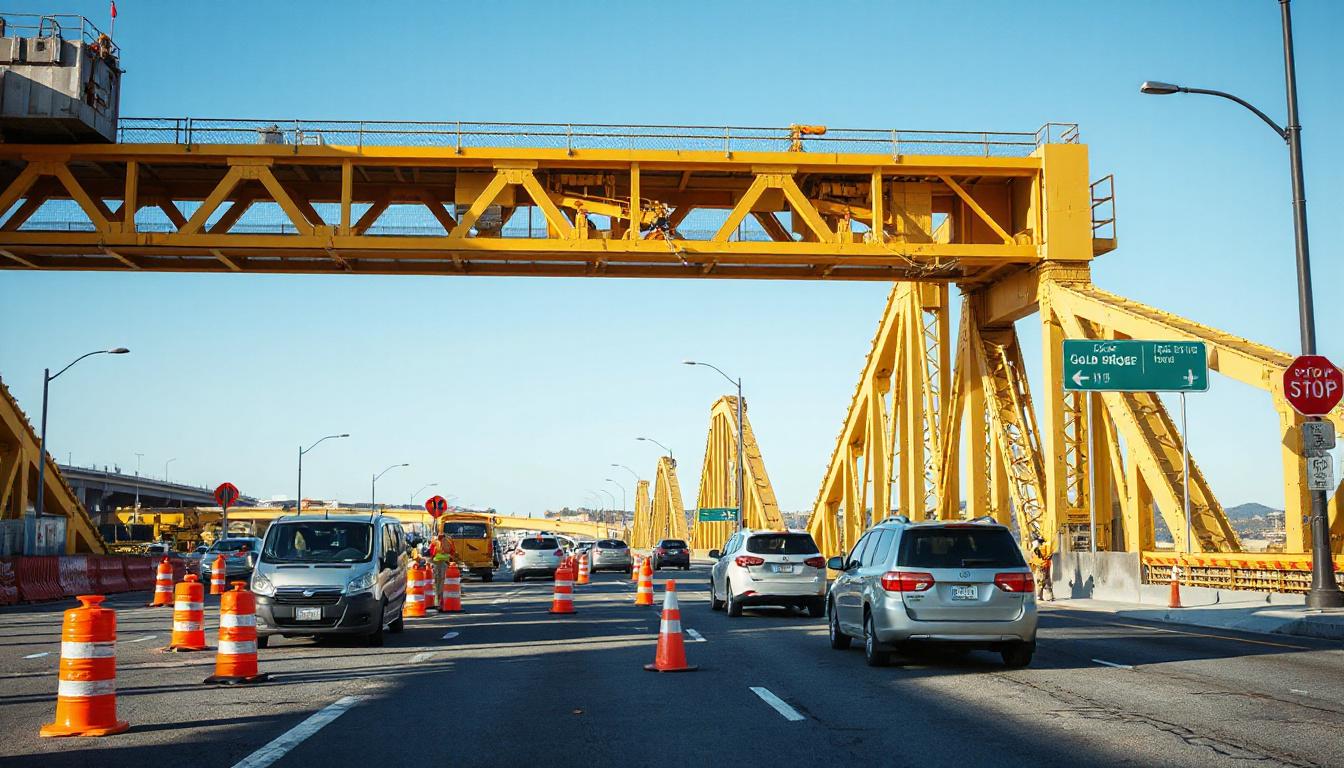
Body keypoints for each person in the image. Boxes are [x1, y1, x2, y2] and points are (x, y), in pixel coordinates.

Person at [428, 533, 456, 608]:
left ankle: (439, 601)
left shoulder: (436, 541)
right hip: (443, 564)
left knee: (439, 583)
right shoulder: (448, 541)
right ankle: (440, 601)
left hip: (438, 564)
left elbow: (432, 553)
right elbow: (452, 553)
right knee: (442, 582)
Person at [1031, 536, 1054, 602]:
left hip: (1040, 566)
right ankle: (1047, 596)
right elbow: (1049, 555)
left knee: (1041, 581)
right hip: (1044, 565)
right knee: (1045, 581)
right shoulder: (1046, 546)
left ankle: (1040, 595)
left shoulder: (1036, 547)